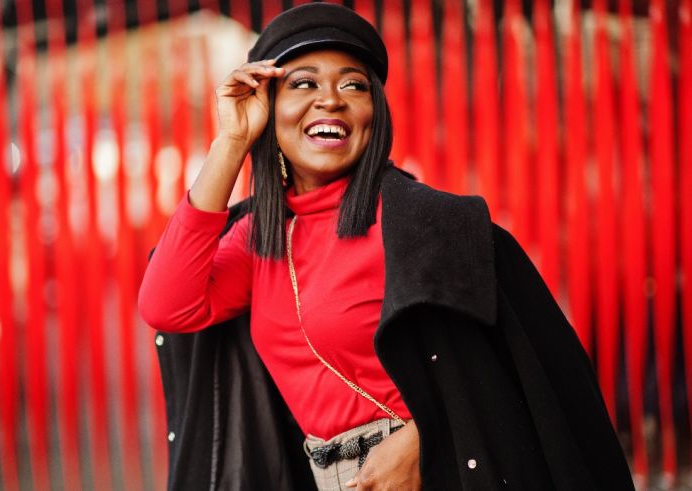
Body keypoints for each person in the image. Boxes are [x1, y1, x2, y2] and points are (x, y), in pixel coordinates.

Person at [138, 4, 633, 490]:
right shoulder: (260, 238)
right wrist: (232, 141)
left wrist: (425, 437)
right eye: (303, 83)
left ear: (375, 112)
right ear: (268, 108)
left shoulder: (427, 227)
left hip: (439, 472)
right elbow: (166, 306)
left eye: (353, 85)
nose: (330, 100)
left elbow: (510, 373)